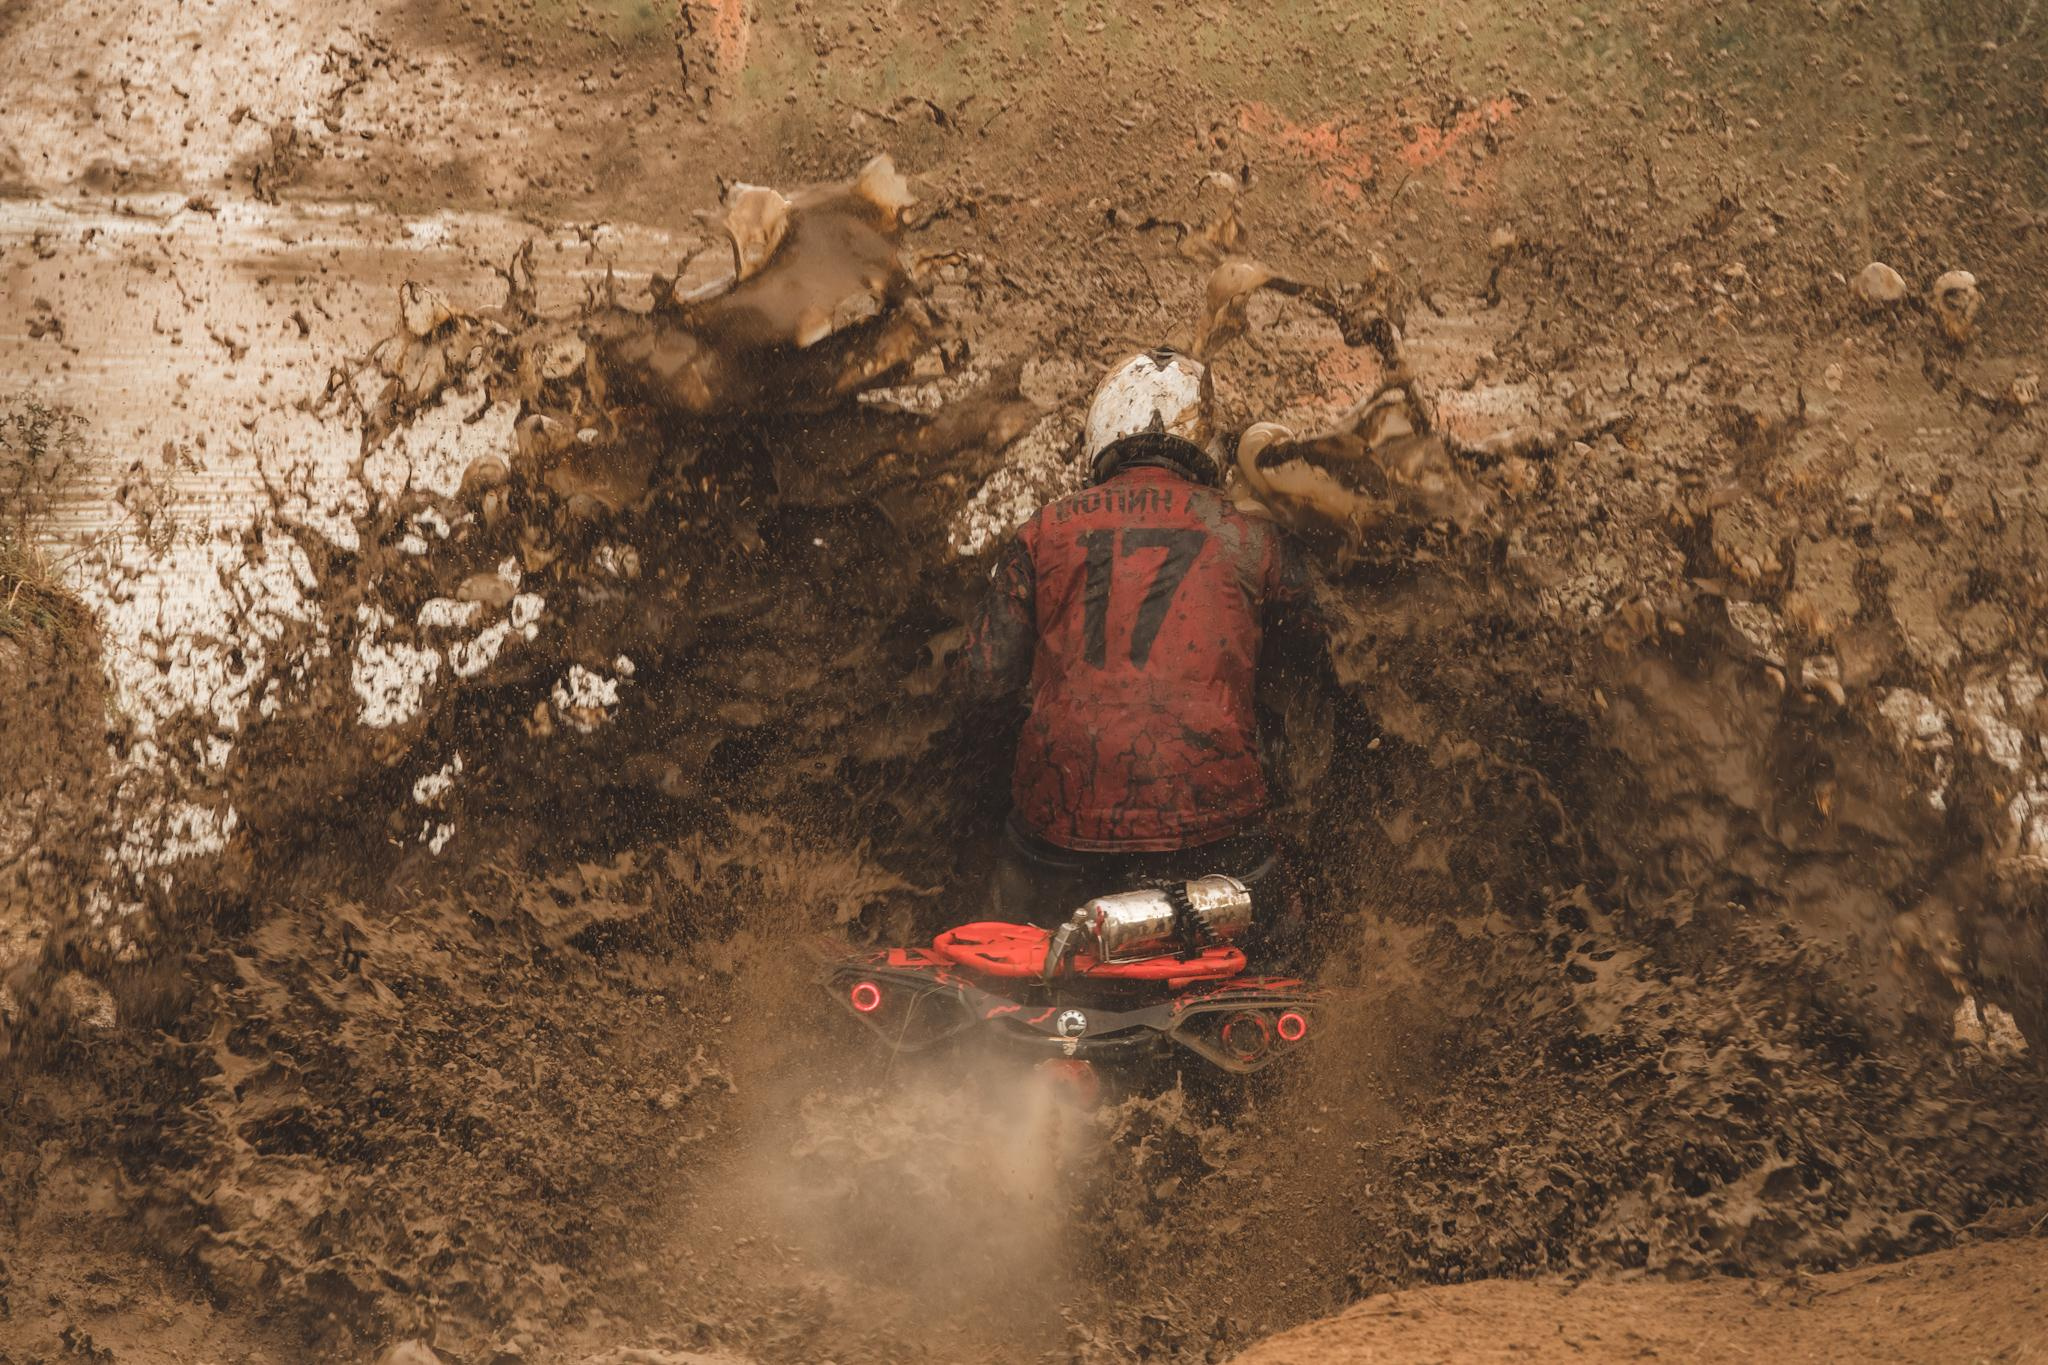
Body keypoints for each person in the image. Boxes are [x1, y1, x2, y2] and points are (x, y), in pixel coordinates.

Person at [962, 347, 1317, 929]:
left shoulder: (1042, 531)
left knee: (1006, 930)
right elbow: (1322, 655)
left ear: (1101, 434)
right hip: (1215, 835)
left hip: (1058, 841)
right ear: (1208, 454)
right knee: (1283, 938)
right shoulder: (1254, 539)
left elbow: (981, 682)